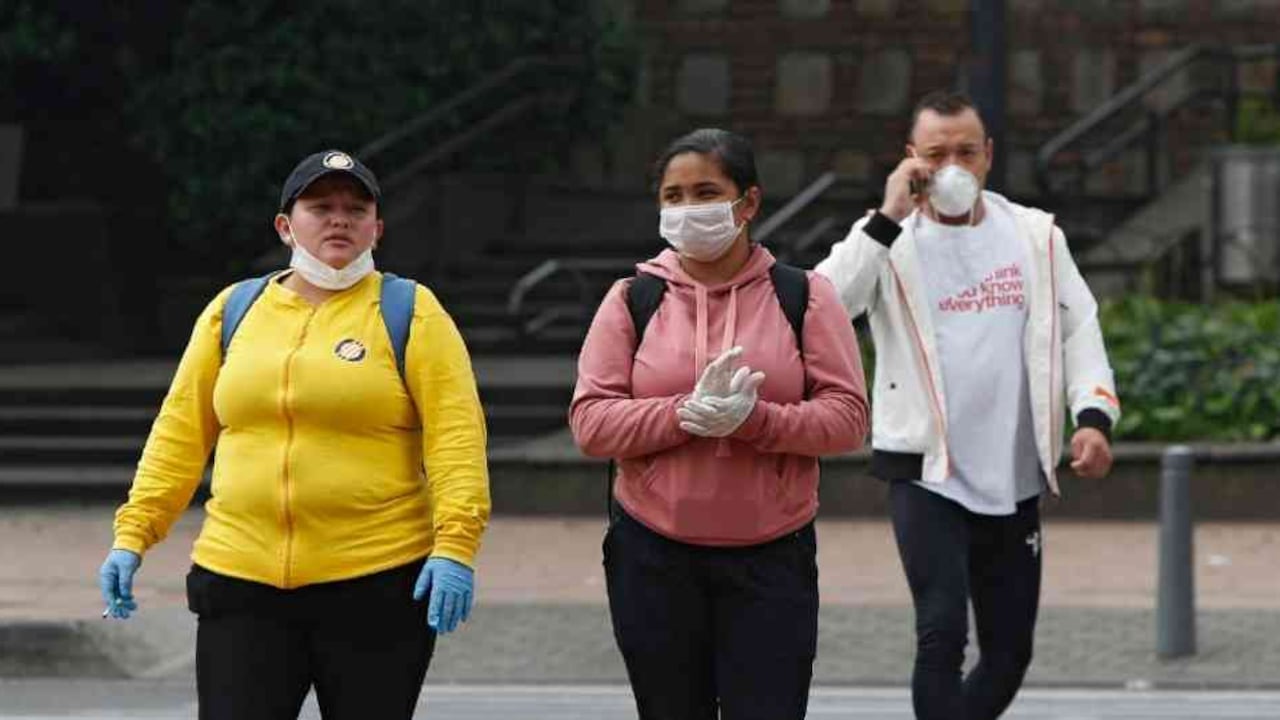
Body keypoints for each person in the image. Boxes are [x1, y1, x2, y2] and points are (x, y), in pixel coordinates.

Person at [96, 149, 491, 720]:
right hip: (240, 579)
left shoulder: (411, 311)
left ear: (377, 229)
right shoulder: (233, 310)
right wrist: (133, 534)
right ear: (285, 226)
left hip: (374, 582)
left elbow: (456, 438)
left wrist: (455, 546)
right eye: (320, 207)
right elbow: (179, 433)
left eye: (356, 210)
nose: (339, 220)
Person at [815, 90, 1121, 719]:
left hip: (1013, 474)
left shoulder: (1034, 235)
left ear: (989, 156)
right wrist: (888, 215)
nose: (952, 166)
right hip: (927, 471)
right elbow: (824, 307)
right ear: (911, 158)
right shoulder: (888, 238)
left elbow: (1079, 327)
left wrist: (1093, 417)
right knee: (942, 632)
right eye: (936, 154)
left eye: (966, 152)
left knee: (1009, 652)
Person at [569, 127, 870, 720]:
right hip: (653, 555)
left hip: (772, 558)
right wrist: (683, 414)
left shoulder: (805, 296)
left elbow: (847, 419)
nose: (688, 209)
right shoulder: (631, 299)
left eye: (706, 193)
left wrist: (754, 420)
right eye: (673, 196)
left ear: (748, 202)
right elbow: (591, 422)